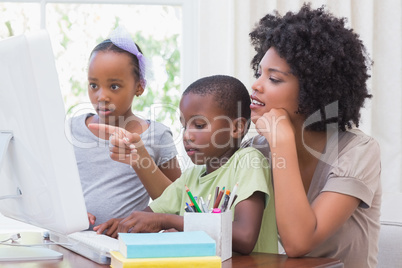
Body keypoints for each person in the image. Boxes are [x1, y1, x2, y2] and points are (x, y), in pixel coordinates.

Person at [244, 3, 381, 267]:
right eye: (259, 73)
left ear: (314, 91)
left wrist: (281, 143)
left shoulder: (358, 151)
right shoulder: (255, 149)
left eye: (274, 79)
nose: (256, 85)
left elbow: (298, 242)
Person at [92, 75, 278, 254]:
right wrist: (125, 224)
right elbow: (150, 217)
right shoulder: (192, 175)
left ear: (236, 128)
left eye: (198, 125)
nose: (187, 135)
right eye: (184, 125)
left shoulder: (248, 161)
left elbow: (245, 237)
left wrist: (166, 221)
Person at [68, 26, 181, 230]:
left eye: (114, 86)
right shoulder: (72, 130)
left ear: (139, 86)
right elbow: (52, 191)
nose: (101, 96)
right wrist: (70, 212)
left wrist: (128, 224)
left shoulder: (157, 136)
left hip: (125, 246)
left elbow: (178, 204)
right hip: (76, 240)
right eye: (94, 85)